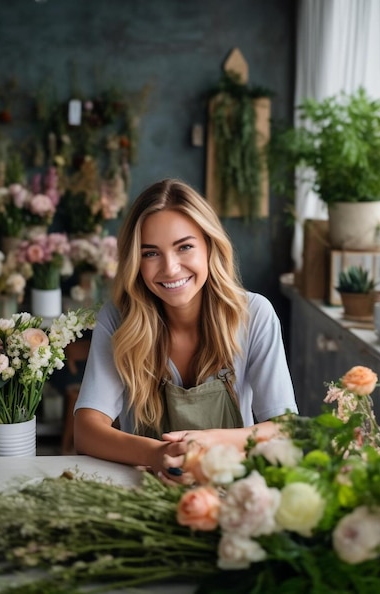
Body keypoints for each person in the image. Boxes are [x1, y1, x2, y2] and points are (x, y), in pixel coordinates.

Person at [74, 178, 298, 483]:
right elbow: (86, 429)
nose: (170, 268)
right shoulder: (118, 319)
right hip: (142, 489)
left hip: (231, 488)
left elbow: (284, 428)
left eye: (185, 247)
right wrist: (156, 456)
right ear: (135, 261)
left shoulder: (254, 315)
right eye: (150, 253)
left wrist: (209, 443)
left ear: (209, 245)